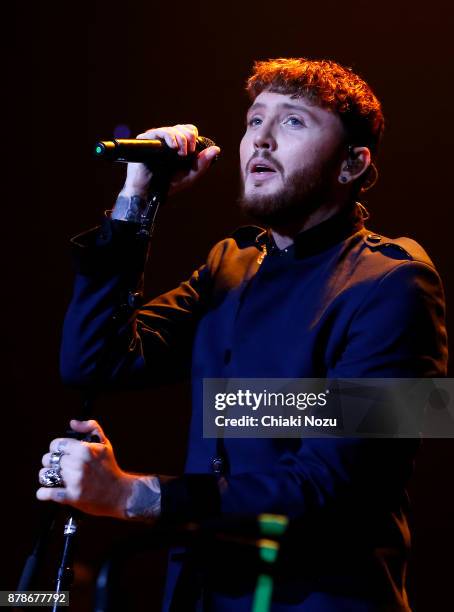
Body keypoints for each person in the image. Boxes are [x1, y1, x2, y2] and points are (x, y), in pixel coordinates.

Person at [37, 58, 447, 611]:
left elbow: (336, 485)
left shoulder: (398, 282)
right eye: (254, 121)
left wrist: (135, 495)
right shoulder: (231, 266)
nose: (262, 140)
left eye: (294, 121)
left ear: (352, 163)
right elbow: (93, 360)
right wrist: (138, 198)